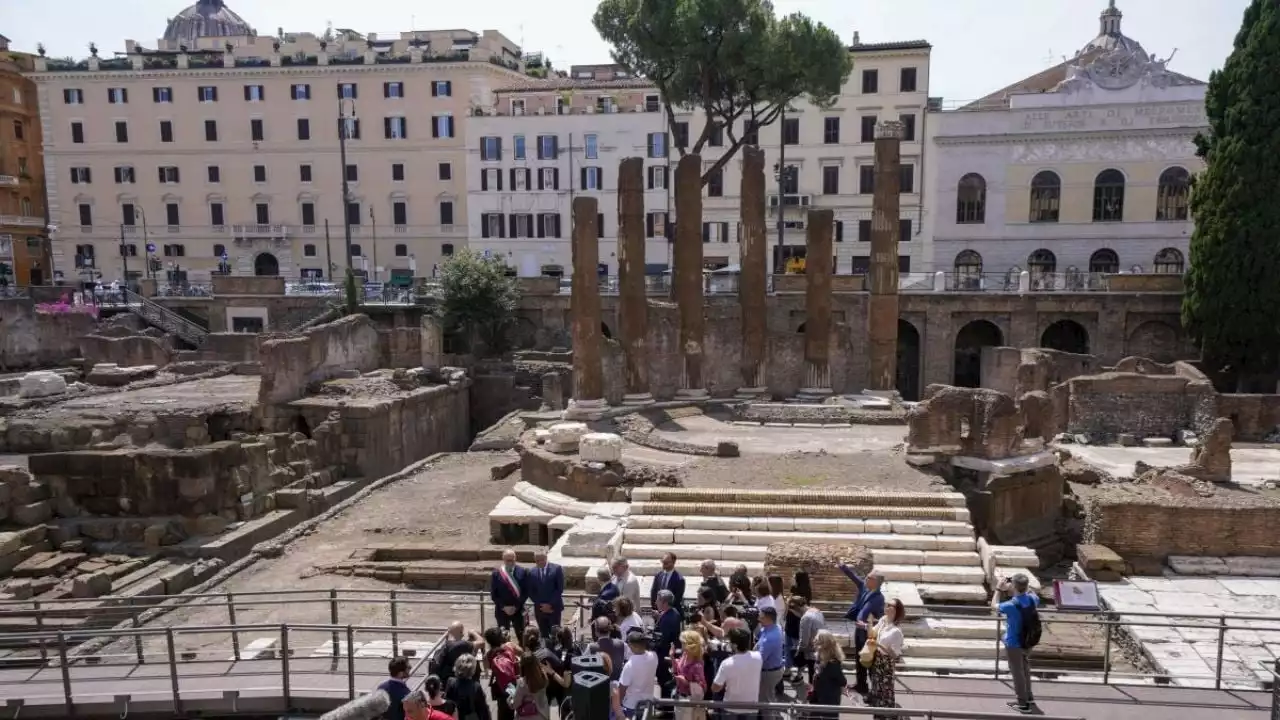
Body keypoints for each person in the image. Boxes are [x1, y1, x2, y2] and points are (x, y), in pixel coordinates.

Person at [839, 565, 885, 698]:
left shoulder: (878, 598)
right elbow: (855, 578)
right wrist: (843, 567)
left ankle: (875, 691)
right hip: (859, 631)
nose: (866, 578)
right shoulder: (865, 588)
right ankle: (861, 684)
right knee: (859, 658)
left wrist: (863, 624)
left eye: (869, 577)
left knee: (869, 661)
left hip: (869, 633)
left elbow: (872, 616)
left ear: (876, 582)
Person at [998, 574, 1040, 714]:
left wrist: (999, 589)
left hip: (1014, 643)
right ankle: (1029, 696)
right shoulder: (1033, 599)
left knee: (1017, 673)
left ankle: (1022, 703)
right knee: (1025, 668)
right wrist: (1023, 586)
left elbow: (994, 606)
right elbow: (1032, 592)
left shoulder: (1010, 605)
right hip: (1028, 641)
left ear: (1014, 586)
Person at [711, 627, 762, 720]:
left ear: (734, 645)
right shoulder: (758, 658)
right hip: (752, 707)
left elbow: (715, 688)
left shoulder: (726, 663)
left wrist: (725, 682)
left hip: (730, 708)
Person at [867, 599, 905, 719]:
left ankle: (887, 715)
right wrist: (869, 623)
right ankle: (878, 715)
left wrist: (879, 645)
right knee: (876, 689)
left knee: (886, 692)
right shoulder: (883, 620)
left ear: (896, 610)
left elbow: (895, 656)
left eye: (890, 606)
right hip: (878, 659)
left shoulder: (897, 632)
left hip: (887, 662)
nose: (887, 607)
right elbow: (872, 633)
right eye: (886, 605)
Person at [617, 631, 660, 718]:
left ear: (631, 646)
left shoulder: (629, 665)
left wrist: (618, 706)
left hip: (631, 706)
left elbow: (622, 688)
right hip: (648, 704)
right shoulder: (654, 656)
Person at [754, 607, 786, 718]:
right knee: (770, 698)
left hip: (769, 673)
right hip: (775, 669)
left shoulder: (770, 638)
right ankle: (776, 716)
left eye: (761, 617)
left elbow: (760, 659)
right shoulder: (774, 627)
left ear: (768, 619)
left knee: (765, 704)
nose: (758, 619)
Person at [483, 627, 521, 720]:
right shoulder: (510, 646)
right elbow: (522, 653)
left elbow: (487, 668)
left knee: (503, 711)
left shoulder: (487, 655)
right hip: (514, 682)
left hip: (500, 686)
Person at [490, 549, 530, 639]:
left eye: (512, 560)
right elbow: (494, 594)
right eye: (508, 560)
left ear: (515, 559)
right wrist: (504, 607)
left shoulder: (523, 572)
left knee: (522, 637)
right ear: (503, 559)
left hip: (518, 610)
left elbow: (526, 592)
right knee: (503, 638)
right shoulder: (496, 573)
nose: (510, 562)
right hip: (502, 611)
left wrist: (516, 606)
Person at [807, 630, 846, 718]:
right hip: (819, 697)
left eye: (816, 640)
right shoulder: (821, 658)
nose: (814, 641)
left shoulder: (831, 664)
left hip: (828, 700)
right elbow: (842, 681)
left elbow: (843, 681)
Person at [654, 589, 683, 699]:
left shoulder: (669, 618)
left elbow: (663, 639)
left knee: (664, 681)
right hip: (668, 652)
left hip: (665, 654)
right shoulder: (673, 612)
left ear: (665, 603)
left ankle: (666, 707)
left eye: (658, 600)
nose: (656, 602)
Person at [529, 550, 565, 640]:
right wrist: (541, 605)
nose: (540, 562)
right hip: (539, 609)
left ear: (546, 558)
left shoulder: (556, 569)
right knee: (543, 634)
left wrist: (550, 605)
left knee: (556, 634)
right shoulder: (532, 572)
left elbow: (559, 588)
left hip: (554, 608)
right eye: (537, 560)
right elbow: (531, 591)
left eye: (541, 560)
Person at [673, 630, 708, 720]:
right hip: (679, 697)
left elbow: (702, 687)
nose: (681, 645)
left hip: (690, 702)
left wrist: (687, 683)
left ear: (689, 645)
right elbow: (677, 670)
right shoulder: (684, 655)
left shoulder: (697, 665)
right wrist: (672, 657)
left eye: (683, 643)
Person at [446, 654, 491, 720]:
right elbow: (482, 708)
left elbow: (447, 701)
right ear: (472, 670)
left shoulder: (451, 682)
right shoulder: (476, 686)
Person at [794, 595, 825, 683]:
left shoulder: (806, 618)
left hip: (811, 651)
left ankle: (813, 693)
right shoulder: (817, 611)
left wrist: (798, 651)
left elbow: (804, 641)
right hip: (821, 647)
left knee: (812, 677)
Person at [512, 653, 551, 720]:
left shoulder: (522, 683)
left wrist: (510, 699)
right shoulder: (543, 676)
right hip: (543, 715)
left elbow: (515, 704)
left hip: (527, 716)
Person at [376, 656, 414, 720]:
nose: (411, 668)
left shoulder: (381, 687)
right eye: (409, 667)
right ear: (400, 673)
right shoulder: (404, 692)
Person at [590, 615, 626, 681]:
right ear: (610, 631)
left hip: (599, 686)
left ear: (596, 632)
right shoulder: (622, 644)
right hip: (617, 686)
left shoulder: (590, 647)